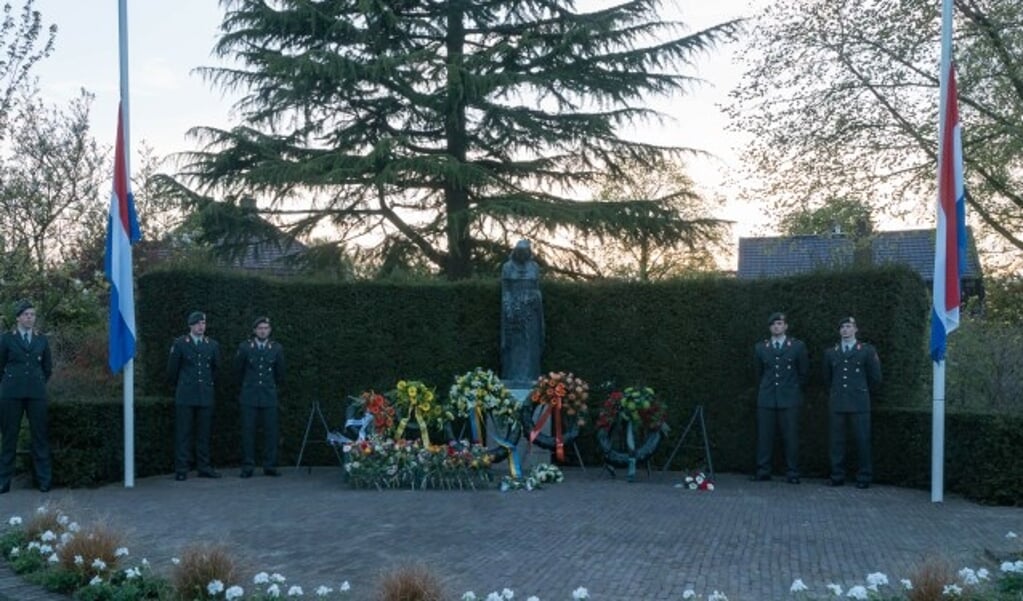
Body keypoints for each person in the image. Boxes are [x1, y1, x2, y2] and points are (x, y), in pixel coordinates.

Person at [0, 300, 53, 493]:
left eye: (32, 314)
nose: (30, 318)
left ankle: (44, 481)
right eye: (26, 314)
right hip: (11, 394)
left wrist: (37, 383)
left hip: (36, 394)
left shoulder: (41, 339)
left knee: (40, 437)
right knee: (9, 438)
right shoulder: (6, 339)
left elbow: (47, 368)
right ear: (18, 318)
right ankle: (3, 482)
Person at [824, 316, 882, 489]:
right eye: (842, 327)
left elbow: (875, 378)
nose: (845, 330)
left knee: (862, 441)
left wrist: (860, 392)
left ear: (856, 329)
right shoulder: (831, 352)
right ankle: (837, 475)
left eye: (849, 326)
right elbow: (827, 379)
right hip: (838, 402)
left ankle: (864, 477)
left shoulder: (867, 350)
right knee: (836, 442)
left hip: (859, 403)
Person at [751, 311, 809, 484]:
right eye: (773, 324)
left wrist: (792, 389)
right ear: (770, 328)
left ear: (786, 326)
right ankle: (763, 470)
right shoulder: (761, 347)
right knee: (764, 437)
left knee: (791, 437)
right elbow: (758, 373)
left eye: (779, 324)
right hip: (767, 398)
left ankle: (793, 472)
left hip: (789, 398)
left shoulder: (797, 346)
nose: (776, 327)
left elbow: (803, 372)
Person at [167, 311, 221, 481]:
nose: (201, 326)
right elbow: (172, 371)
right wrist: (183, 386)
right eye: (197, 323)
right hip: (186, 395)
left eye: (203, 323)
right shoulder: (181, 343)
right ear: (190, 325)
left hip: (205, 394)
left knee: (204, 433)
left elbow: (215, 369)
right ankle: (182, 468)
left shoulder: (212, 344)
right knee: (184, 433)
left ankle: (204, 467)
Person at [234, 316, 285, 478]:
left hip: (268, 396)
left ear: (269, 330)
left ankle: (270, 465)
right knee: (248, 432)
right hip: (249, 396)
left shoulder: (276, 348)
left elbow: (280, 374)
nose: (263, 331)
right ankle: (248, 466)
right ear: (255, 330)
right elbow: (238, 371)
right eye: (260, 328)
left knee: (271, 433)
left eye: (266, 328)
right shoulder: (245, 347)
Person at [501, 239, 544, 387]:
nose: (523, 255)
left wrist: (534, 298)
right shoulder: (507, 267)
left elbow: (537, 288)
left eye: (526, 253)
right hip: (513, 313)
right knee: (514, 346)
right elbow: (505, 291)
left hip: (531, 312)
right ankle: (513, 376)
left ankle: (530, 376)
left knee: (530, 344)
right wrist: (509, 308)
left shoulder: (534, 267)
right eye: (520, 252)